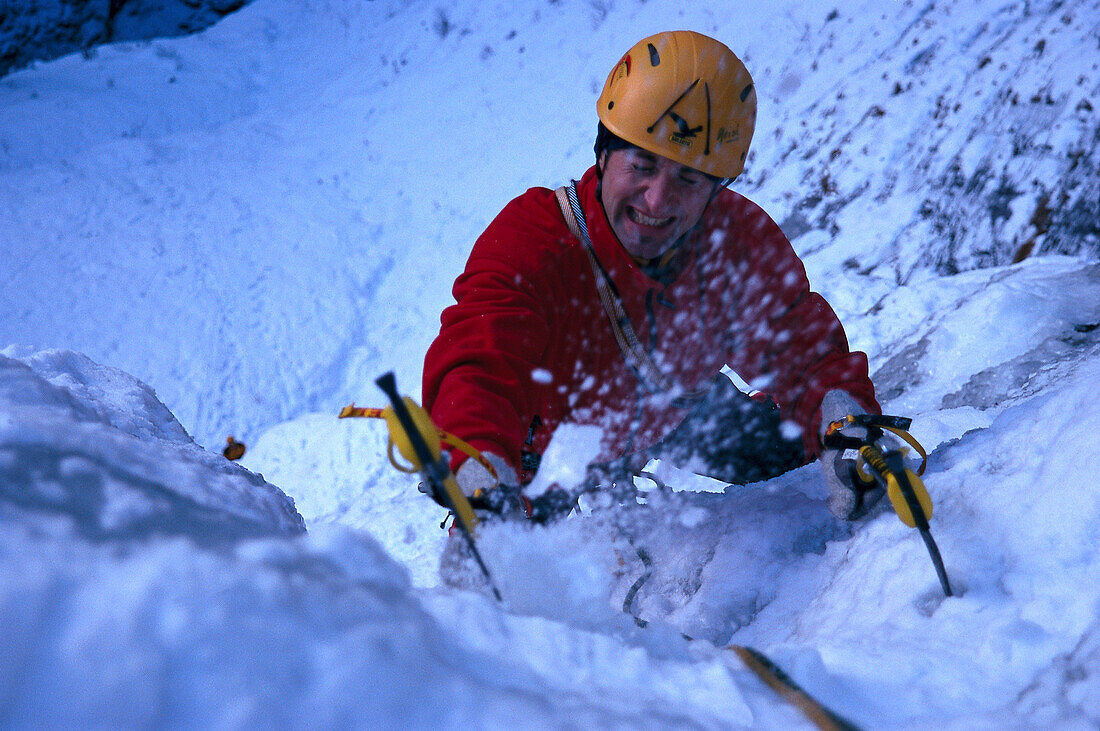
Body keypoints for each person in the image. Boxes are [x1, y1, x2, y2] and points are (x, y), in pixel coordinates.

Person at [423, 30, 882, 534]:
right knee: (508, 566)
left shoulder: (735, 243)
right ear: (603, 156)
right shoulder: (534, 240)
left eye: (688, 180)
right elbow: (480, 364)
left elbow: (804, 354)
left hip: (676, 412)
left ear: (716, 188)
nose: (657, 202)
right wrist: (478, 462)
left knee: (790, 449)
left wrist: (842, 423)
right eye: (642, 166)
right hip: (550, 455)